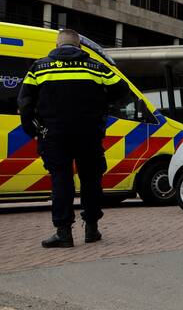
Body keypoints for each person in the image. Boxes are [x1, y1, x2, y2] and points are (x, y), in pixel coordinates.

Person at [17, 29, 128, 247]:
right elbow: (122, 90)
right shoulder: (95, 66)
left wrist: (33, 130)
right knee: (91, 180)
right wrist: (102, 106)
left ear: (58, 45)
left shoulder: (39, 67)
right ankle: (91, 229)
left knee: (61, 181)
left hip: (54, 135)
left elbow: (25, 102)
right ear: (79, 47)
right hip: (89, 134)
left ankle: (63, 233)